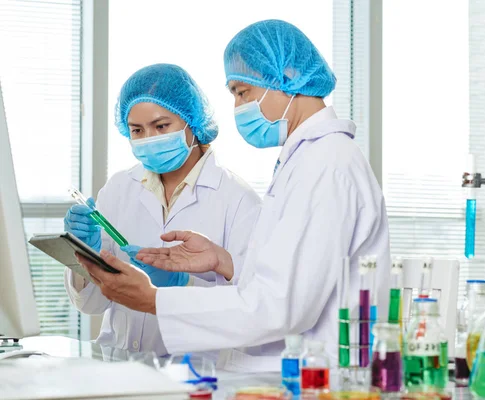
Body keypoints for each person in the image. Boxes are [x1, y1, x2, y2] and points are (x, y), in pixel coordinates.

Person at [75, 20, 391, 371]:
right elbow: (290, 278)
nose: (239, 107)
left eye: (242, 92)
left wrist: (154, 301)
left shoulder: (327, 163)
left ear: (287, 74)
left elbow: (280, 305)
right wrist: (224, 262)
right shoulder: (307, 159)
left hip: (317, 375)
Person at [64, 64, 261, 355]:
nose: (149, 139)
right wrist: (84, 256)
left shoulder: (239, 200)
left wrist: (183, 284)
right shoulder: (119, 187)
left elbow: (252, 311)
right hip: (118, 367)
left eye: (161, 126)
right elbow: (92, 304)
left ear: (192, 122)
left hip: (196, 375)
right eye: (137, 130)